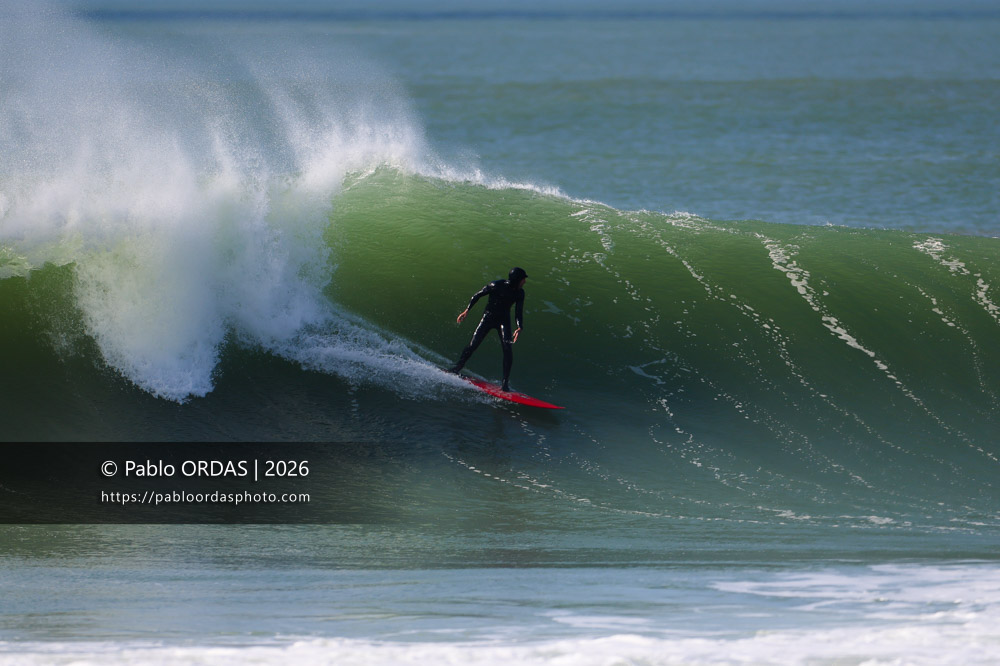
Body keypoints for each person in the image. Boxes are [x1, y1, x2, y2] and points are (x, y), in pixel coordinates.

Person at [448, 267, 527, 392]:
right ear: (517, 279)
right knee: (473, 345)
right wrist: (467, 310)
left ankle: (505, 383)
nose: (524, 282)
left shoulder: (519, 293)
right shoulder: (496, 285)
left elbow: (518, 311)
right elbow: (477, 295)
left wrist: (519, 326)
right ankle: (457, 368)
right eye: (523, 279)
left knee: (507, 350)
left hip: (504, 321)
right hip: (488, 318)